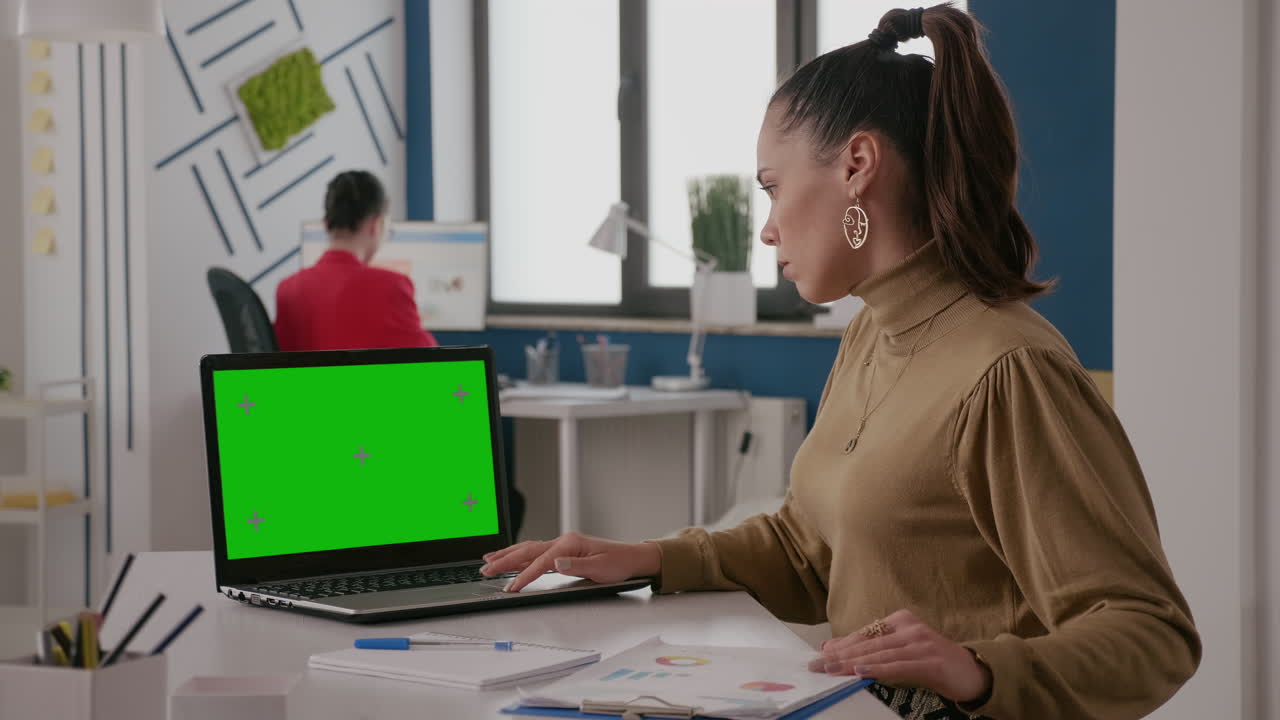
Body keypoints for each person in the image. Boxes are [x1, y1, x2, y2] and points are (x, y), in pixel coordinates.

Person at [479, 5, 1199, 719]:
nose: (767, 229)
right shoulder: (867, 336)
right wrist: (652, 558)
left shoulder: (1008, 371)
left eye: (772, 188)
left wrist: (979, 670)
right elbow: (811, 551)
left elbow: (1152, 635)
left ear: (857, 165)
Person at [274, 170, 439, 352]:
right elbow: (430, 363)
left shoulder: (287, 290)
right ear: (376, 226)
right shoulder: (392, 286)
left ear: (326, 224)